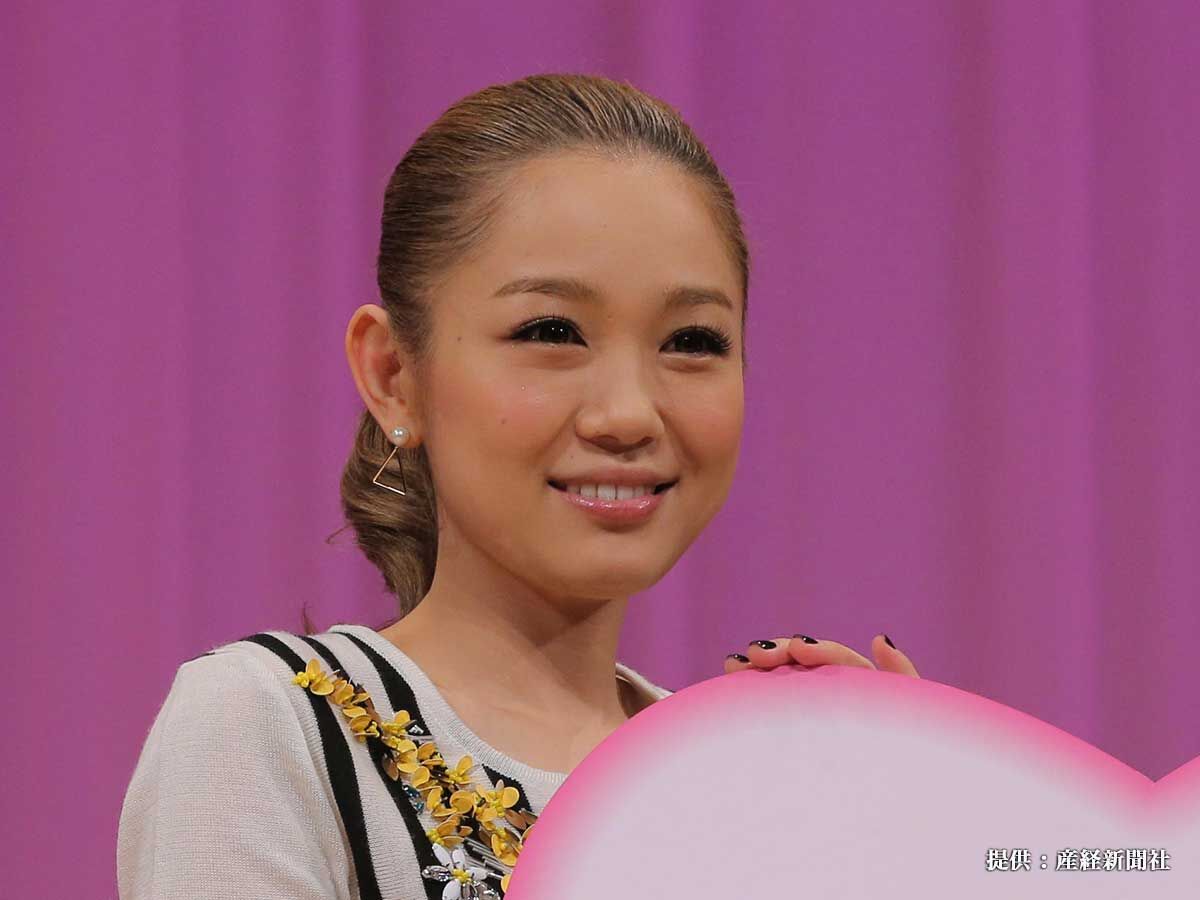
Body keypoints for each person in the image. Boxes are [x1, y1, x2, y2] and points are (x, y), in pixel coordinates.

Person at [117, 73, 919, 900]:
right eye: (551, 331)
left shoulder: (754, 792)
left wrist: (932, 835)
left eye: (691, 341)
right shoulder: (270, 726)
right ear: (393, 374)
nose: (627, 413)